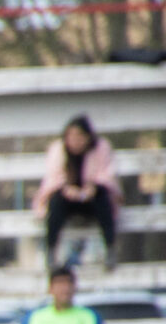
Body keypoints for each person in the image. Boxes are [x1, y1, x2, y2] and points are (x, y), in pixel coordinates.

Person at [37, 115, 119, 272]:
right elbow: (53, 177)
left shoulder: (101, 148)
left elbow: (108, 174)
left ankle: (110, 249)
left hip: (92, 199)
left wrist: (93, 188)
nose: (75, 140)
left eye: (80, 135)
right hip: (67, 200)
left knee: (103, 199)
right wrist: (67, 189)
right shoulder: (58, 149)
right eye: (71, 136)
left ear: (88, 136)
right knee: (56, 201)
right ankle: (51, 251)